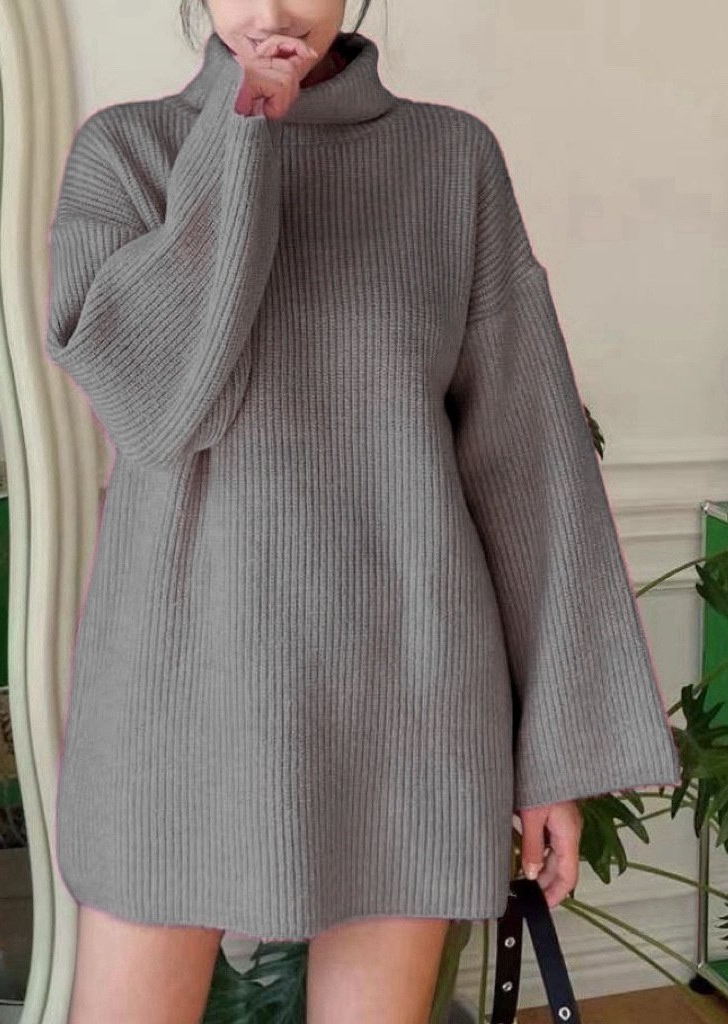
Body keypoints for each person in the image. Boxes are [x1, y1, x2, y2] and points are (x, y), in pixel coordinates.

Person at [43, 1, 682, 1021]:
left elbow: (531, 466)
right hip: (176, 703)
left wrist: (551, 757)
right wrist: (243, 131)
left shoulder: (450, 161)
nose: (270, 8)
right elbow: (154, 404)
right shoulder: (127, 154)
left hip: (408, 699)